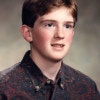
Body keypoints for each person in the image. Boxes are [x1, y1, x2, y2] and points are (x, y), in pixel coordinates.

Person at [0, 0, 100, 99]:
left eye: (67, 26)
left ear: (73, 32)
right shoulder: (3, 88)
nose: (60, 35)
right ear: (28, 33)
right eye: (49, 25)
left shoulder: (87, 88)